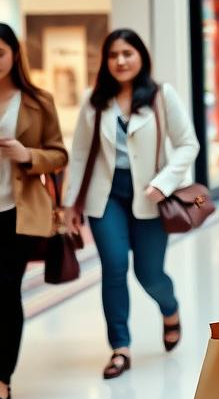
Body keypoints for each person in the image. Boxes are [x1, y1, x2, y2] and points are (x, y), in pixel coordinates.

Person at [65, 29, 199, 380]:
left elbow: (188, 144)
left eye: (127, 53)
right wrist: (69, 204)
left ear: (141, 56)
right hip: (105, 197)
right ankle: (120, 347)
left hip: (150, 197)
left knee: (149, 273)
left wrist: (164, 182)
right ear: (106, 62)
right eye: (113, 55)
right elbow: (79, 155)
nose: (120, 61)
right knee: (113, 268)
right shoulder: (94, 100)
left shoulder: (160, 96)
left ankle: (170, 309)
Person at [0, 22, 67, 399]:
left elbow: (59, 154)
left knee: (7, 289)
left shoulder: (37, 100)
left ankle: (0, 379)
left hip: (20, 210)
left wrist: (27, 155)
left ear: (15, 54)